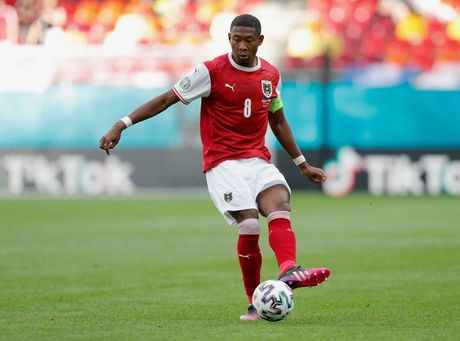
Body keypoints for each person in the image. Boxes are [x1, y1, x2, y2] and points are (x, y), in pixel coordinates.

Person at [100, 14, 331, 321]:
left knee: (279, 205)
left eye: (249, 40)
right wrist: (121, 124)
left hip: (258, 160)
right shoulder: (210, 71)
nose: (242, 45)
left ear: (260, 41)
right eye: (236, 39)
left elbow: (277, 119)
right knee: (249, 224)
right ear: (229, 38)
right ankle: (253, 304)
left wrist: (302, 164)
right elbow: (168, 99)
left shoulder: (271, 75)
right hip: (223, 163)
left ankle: (289, 269)